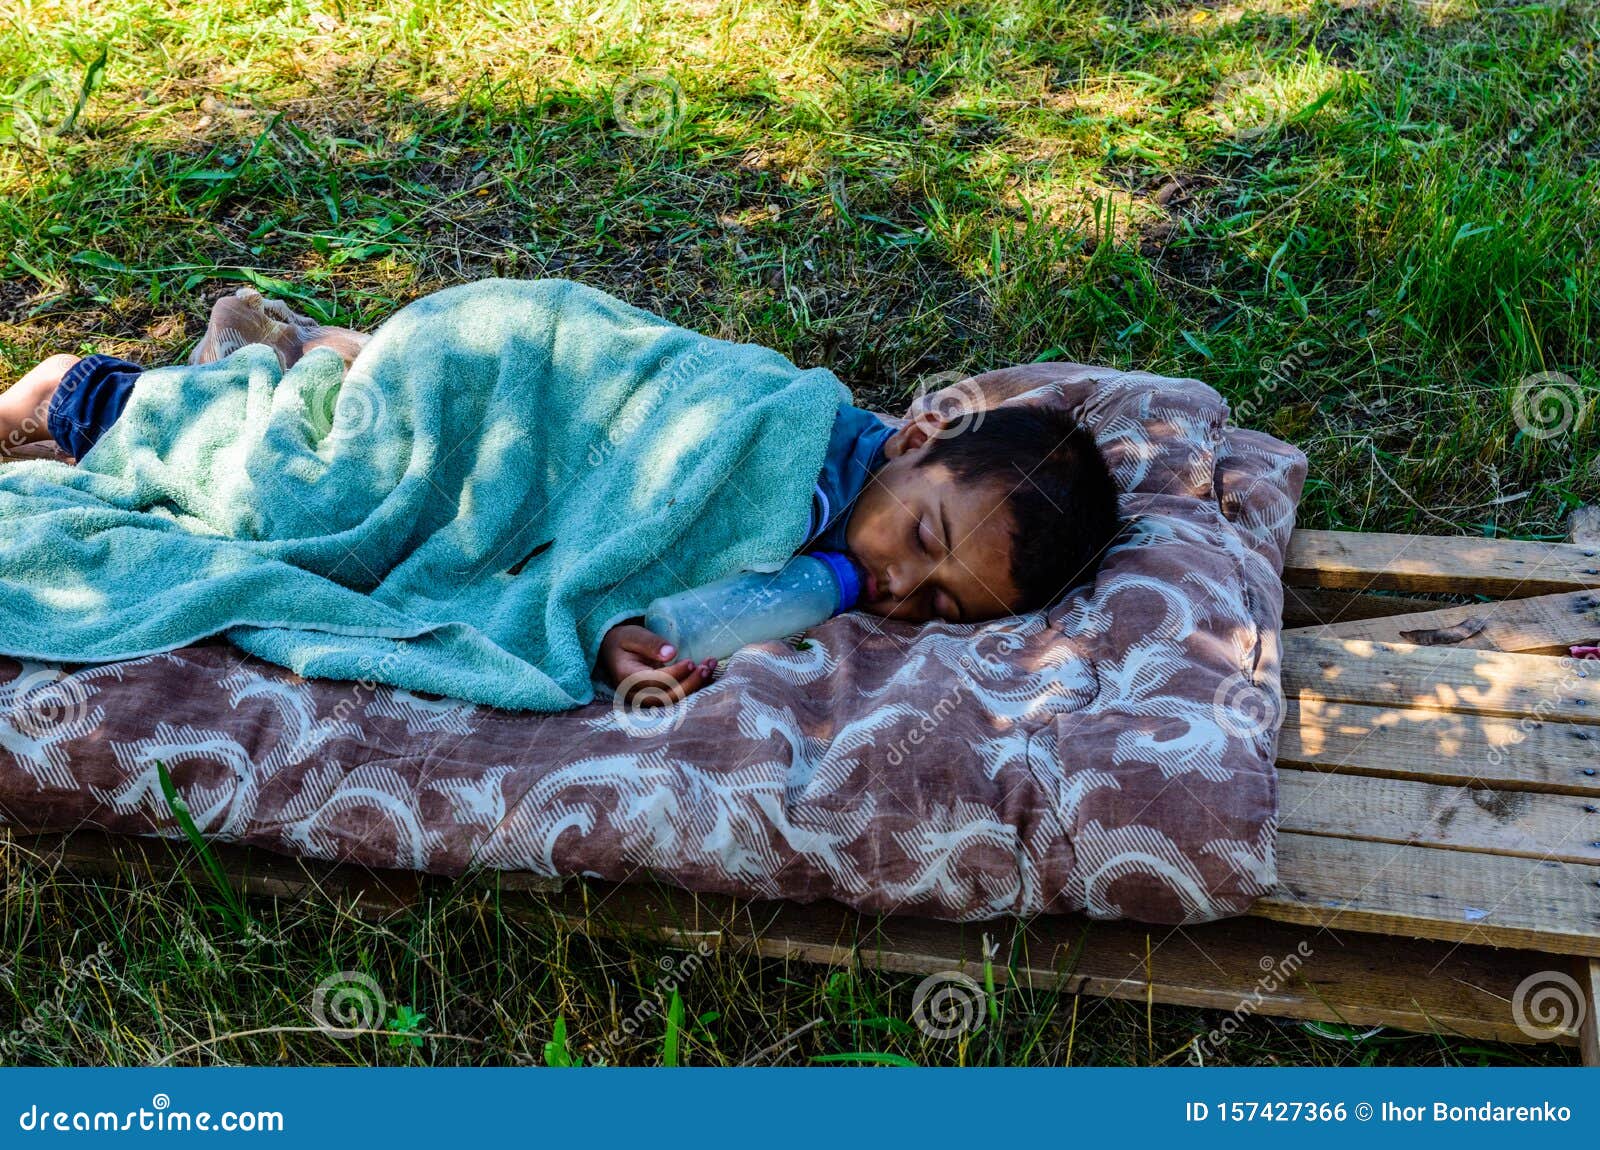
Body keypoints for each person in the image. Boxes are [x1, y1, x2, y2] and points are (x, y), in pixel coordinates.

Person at [0, 287, 1121, 706]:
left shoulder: (822, 574)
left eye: (940, 605)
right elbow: (646, 479)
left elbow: (650, 576)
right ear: (917, 437)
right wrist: (578, 607)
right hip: (501, 369)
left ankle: (310, 357)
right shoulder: (794, 438)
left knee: (356, 516)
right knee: (320, 507)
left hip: (500, 406)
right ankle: (90, 395)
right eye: (921, 534)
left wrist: (617, 630)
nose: (898, 582)